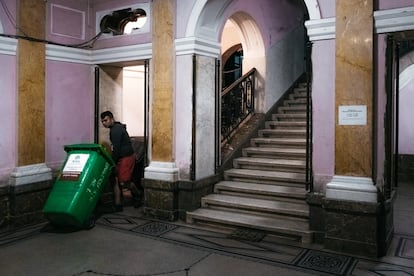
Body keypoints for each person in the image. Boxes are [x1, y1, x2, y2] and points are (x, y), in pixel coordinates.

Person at [100, 110, 142, 211]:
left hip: (126, 157)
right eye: (102, 121)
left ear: (111, 119)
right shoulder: (115, 128)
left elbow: (117, 148)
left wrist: (112, 163)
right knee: (115, 179)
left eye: (106, 120)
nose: (104, 123)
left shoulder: (116, 130)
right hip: (122, 157)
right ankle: (118, 204)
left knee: (124, 181)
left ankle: (138, 195)